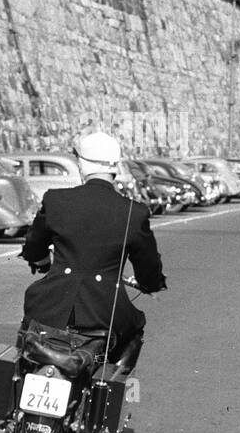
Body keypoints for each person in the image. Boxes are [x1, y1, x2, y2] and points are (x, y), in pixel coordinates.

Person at [18, 131, 166, 373]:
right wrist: (152, 283)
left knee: (29, 331)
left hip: (50, 304)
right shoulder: (133, 212)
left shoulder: (57, 200)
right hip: (103, 311)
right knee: (135, 325)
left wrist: (41, 260)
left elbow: (34, 247)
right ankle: (105, 397)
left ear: (81, 164)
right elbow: (148, 267)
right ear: (114, 167)